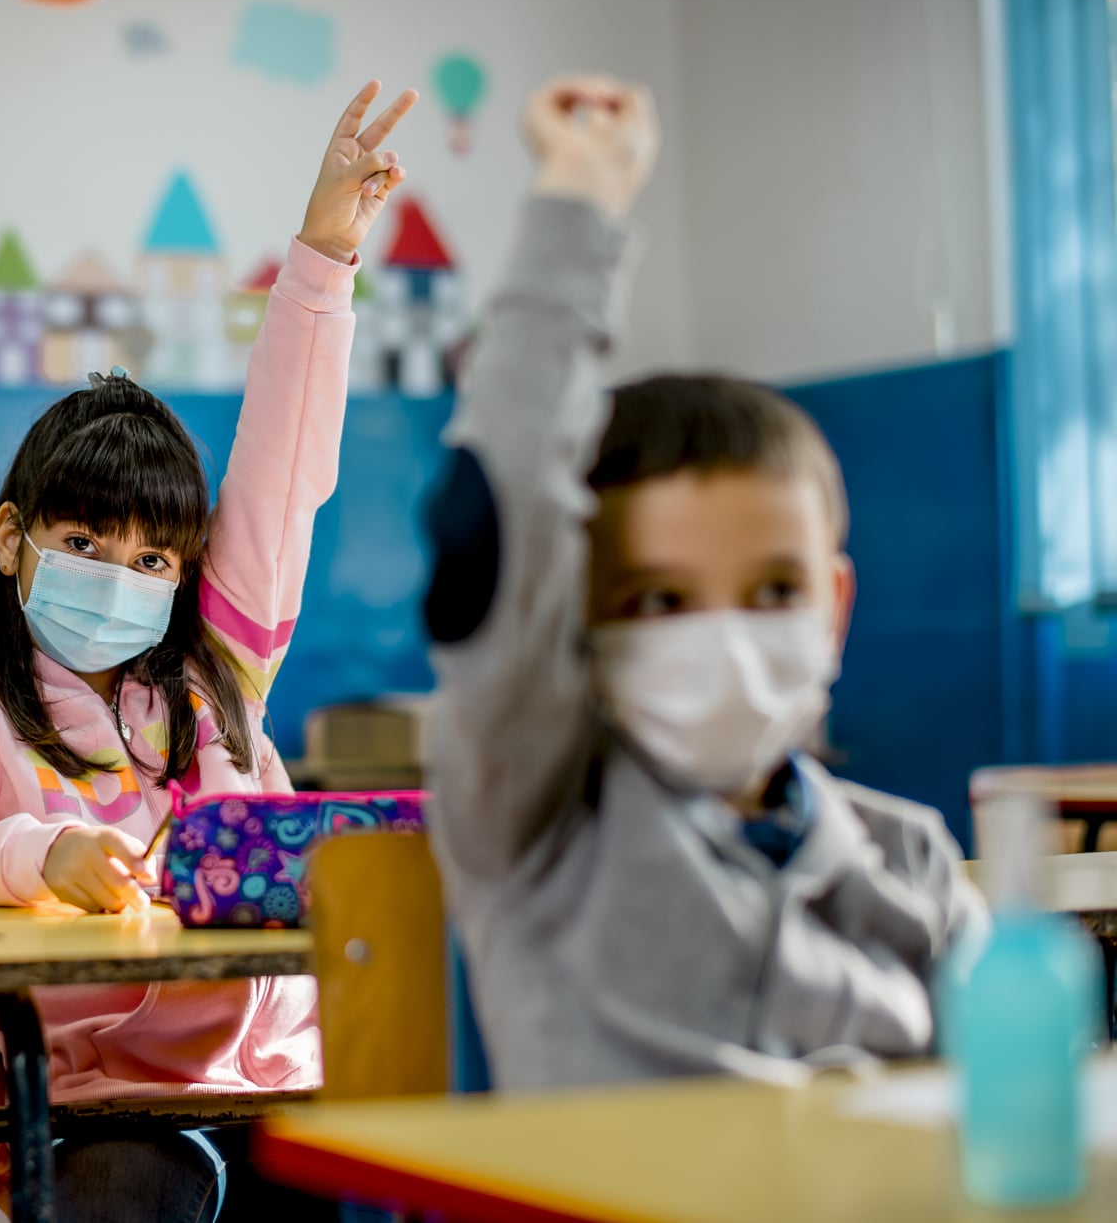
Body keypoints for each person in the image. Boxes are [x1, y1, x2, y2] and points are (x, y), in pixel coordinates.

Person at [0, 79, 418, 1220]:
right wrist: (33, 857)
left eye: (153, 559)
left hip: (269, 1076)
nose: (120, 575)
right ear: (13, 541)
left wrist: (321, 258)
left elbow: (282, 476)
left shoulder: (214, 679)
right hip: (100, 1102)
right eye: (83, 540)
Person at [421, 74, 988, 1090]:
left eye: (773, 590)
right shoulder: (539, 822)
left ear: (835, 609)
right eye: (657, 600)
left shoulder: (913, 867)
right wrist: (578, 203)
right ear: (571, 621)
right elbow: (497, 512)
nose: (722, 635)